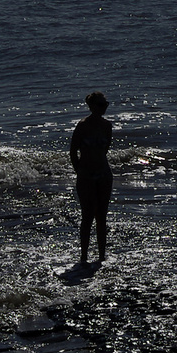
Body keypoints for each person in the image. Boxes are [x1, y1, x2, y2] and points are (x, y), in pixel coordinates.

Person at [69, 91, 113, 268]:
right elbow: (73, 151)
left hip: (104, 173)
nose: (104, 108)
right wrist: (79, 171)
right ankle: (83, 257)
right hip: (86, 174)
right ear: (92, 106)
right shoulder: (82, 126)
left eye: (106, 105)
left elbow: (105, 150)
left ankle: (102, 257)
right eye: (101, 105)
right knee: (87, 215)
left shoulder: (107, 126)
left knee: (101, 216)